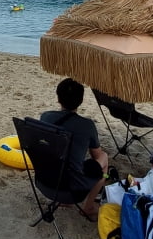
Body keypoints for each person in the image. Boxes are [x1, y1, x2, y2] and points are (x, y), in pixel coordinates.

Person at [39, 78, 109, 221]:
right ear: (81, 100)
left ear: (58, 98)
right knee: (104, 158)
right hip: (72, 190)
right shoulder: (87, 125)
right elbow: (96, 155)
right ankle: (88, 207)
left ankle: (64, 201)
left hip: (44, 181)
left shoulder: (45, 117)